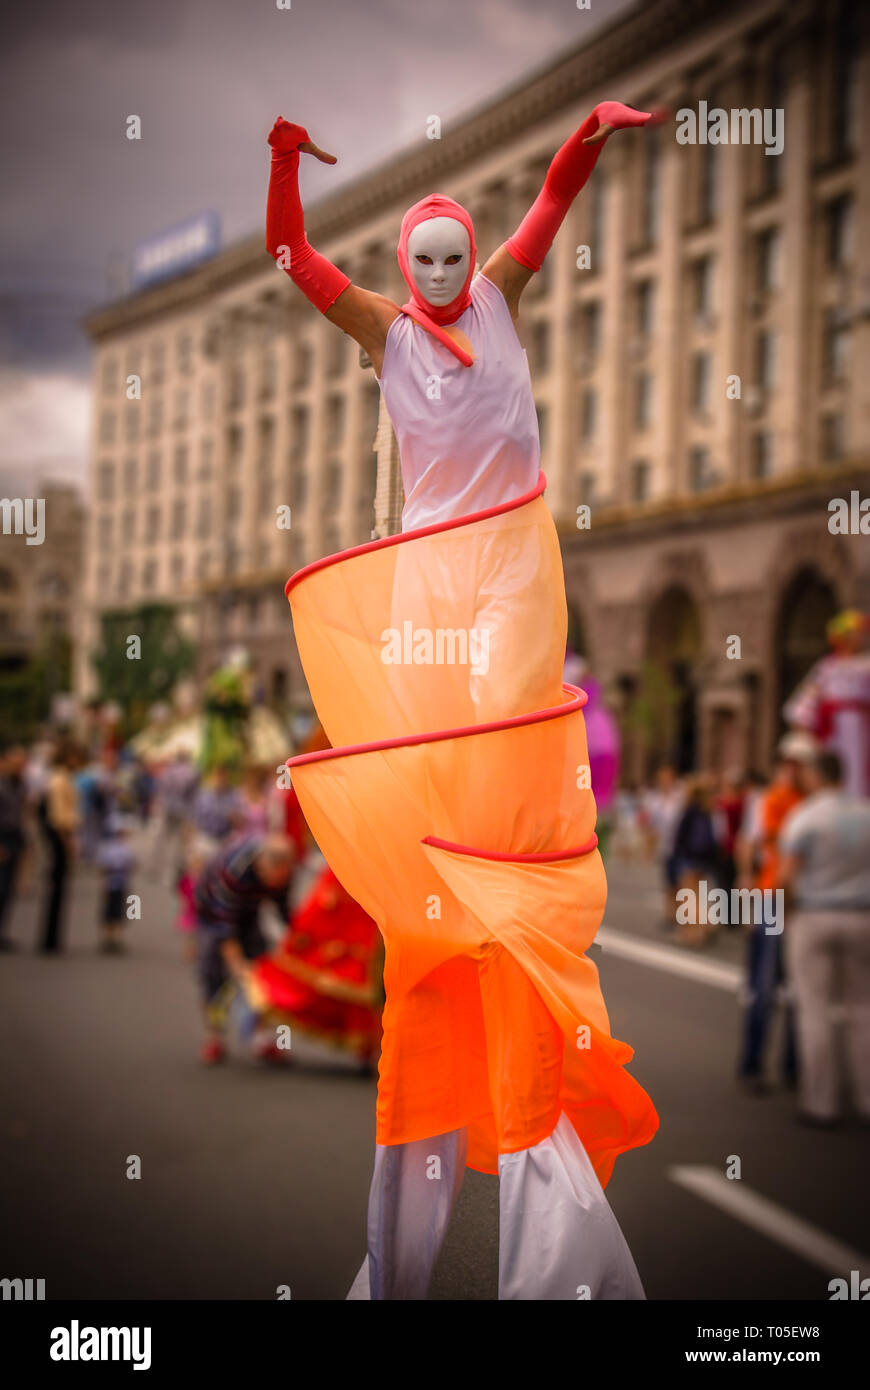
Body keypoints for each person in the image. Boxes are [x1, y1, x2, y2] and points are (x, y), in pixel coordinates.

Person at [267, 98, 663, 1300]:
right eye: (425, 265)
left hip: (512, 553)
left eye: (455, 259)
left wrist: (591, 133)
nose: (444, 280)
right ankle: (455, 867)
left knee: (506, 704)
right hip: (430, 567)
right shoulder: (380, 331)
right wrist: (286, 158)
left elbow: (553, 202)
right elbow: (290, 256)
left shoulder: (502, 290)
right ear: (402, 271)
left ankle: (497, 855)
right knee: (438, 743)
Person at [779, 751, 870, 1127]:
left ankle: (822, 1102)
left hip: (815, 915)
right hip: (862, 916)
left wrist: (782, 913)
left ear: (817, 775)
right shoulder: (865, 814)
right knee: (863, 1010)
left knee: (814, 1009)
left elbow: (786, 874)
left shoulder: (807, 816)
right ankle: (866, 1099)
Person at [735, 736, 810, 1093]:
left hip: (805, 904)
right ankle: (752, 1064)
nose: (792, 769)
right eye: (788, 761)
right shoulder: (767, 800)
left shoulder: (812, 804)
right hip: (772, 901)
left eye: (799, 762)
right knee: (762, 988)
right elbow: (749, 845)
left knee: (800, 990)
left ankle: (794, 1066)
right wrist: (746, 888)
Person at [194, 833, 296, 1065]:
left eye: (283, 880)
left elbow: (284, 910)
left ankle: (262, 1040)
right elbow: (224, 926)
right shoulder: (234, 872)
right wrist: (237, 965)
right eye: (273, 879)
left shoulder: (285, 873)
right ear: (261, 865)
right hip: (212, 912)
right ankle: (215, 1038)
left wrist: (297, 943)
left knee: (262, 972)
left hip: (250, 912)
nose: (278, 885)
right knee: (215, 977)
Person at [783, 609, 870, 798]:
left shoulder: (866, 665)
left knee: (860, 768)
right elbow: (807, 697)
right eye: (856, 633)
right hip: (834, 728)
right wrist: (804, 724)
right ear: (843, 637)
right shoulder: (828, 667)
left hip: (863, 726)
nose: (861, 637)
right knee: (834, 766)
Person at [38, 743, 81, 954]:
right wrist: (67, 841)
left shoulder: (62, 778)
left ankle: (53, 938)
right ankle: (50, 940)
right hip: (60, 834)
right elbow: (58, 816)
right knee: (57, 887)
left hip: (62, 833)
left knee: (60, 889)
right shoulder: (59, 779)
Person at [671, 776, 720, 946]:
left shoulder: (690, 811)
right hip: (703, 860)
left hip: (688, 859)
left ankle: (693, 933)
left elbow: (679, 837)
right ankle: (703, 928)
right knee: (698, 897)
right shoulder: (707, 811)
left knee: (689, 898)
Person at [643, 765, 685, 926]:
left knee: (681, 883)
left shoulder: (680, 796)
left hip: (681, 846)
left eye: (667, 778)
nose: (664, 781)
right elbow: (651, 826)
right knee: (669, 882)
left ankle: (681, 914)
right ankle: (670, 914)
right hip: (665, 846)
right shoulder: (654, 799)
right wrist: (649, 849)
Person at [0, 743, 30, 951]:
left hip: (15, 836)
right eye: (15, 762)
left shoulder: (21, 784)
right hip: (2, 836)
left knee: (8, 888)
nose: (19, 766)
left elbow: (24, 812)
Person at [95, 814, 136, 954]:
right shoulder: (114, 848)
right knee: (111, 913)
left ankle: (114, 939)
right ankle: (110, 939)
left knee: (116, 913)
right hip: (114, 884)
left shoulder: (115, 848)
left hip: (116, 884)